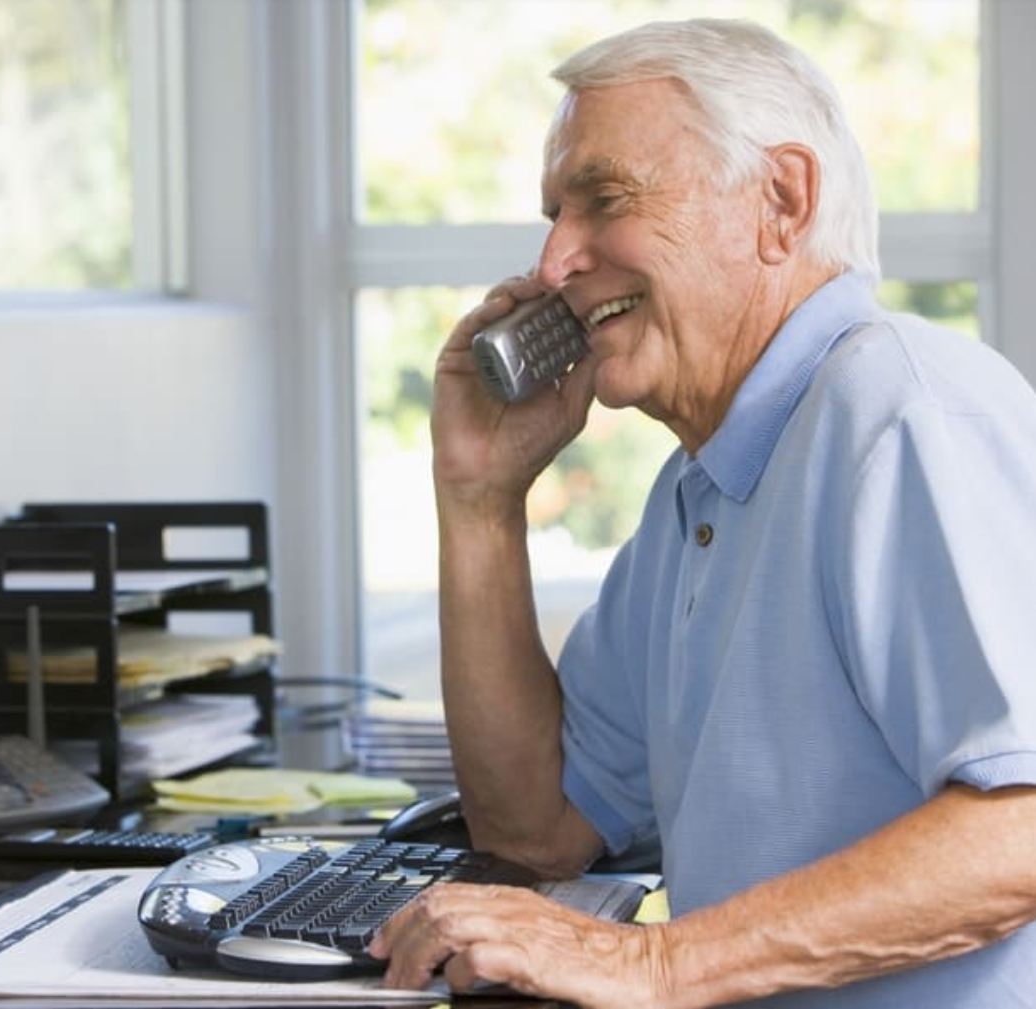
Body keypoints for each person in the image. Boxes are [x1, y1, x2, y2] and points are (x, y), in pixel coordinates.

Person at [367, 17, 1036, 1009]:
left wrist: (652, 960)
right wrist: (480, 503)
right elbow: (532, 831)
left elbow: (1020, 828)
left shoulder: (903, 413)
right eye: (554, 214)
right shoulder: (701, 488)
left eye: (605, 200)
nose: (554, 261)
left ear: (780, 200)